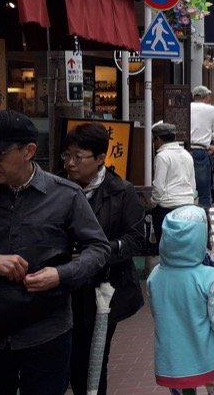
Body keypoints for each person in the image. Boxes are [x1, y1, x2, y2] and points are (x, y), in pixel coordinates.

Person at [0, 110, 110, 394]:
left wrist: (61, 274)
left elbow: (98, 248)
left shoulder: (65, 195)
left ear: (29, 151)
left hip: (46, 333)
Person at [63, 123, 145, 395]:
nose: (71, 163)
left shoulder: (121, 191)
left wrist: (95, 254)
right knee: (70, 359)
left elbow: (135, 240)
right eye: (67, 155)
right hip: (63, 288)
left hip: (104, 291)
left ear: (100, 159)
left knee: (95, 359)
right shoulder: (58, 188)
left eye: (78, 156)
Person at [148, 206, 214, 394]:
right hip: (207, 357)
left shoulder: (155, 277)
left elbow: (158, 314)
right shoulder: (209, 277)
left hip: (173, 361)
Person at [151, 122, 198, 245]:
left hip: (167, 206)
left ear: (158, 139)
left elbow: (159, 187)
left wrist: (151, 203)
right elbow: (192, 184)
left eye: (154, 140)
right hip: (187, 204)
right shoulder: (187, 154)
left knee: (165, 243)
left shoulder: (162, 156)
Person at [190, 85, 214, 211]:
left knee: (185, 188)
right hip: (201, 150)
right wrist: (209, 138)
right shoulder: (211, 110)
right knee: (204, 189)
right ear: (205, 96)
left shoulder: (186, 107)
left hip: (184, 150)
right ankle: (206, 224)